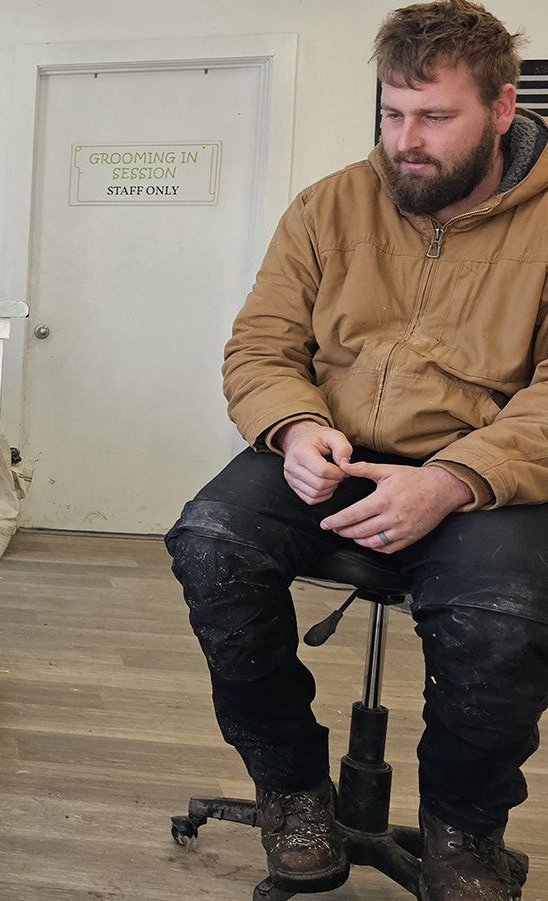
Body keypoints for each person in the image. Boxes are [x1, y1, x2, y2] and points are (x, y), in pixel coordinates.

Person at [165, 2, 548, 898]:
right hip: (327, 449)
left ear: (501, 110)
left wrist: (455, 478)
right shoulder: (328, 203)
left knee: (509, 615)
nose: (405, 140)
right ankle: (292, 788)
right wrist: (295, 427)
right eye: (390, 113)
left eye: (434, 117)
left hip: (486, 474)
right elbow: (259, 347)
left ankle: (465, 827)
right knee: (210, 545)